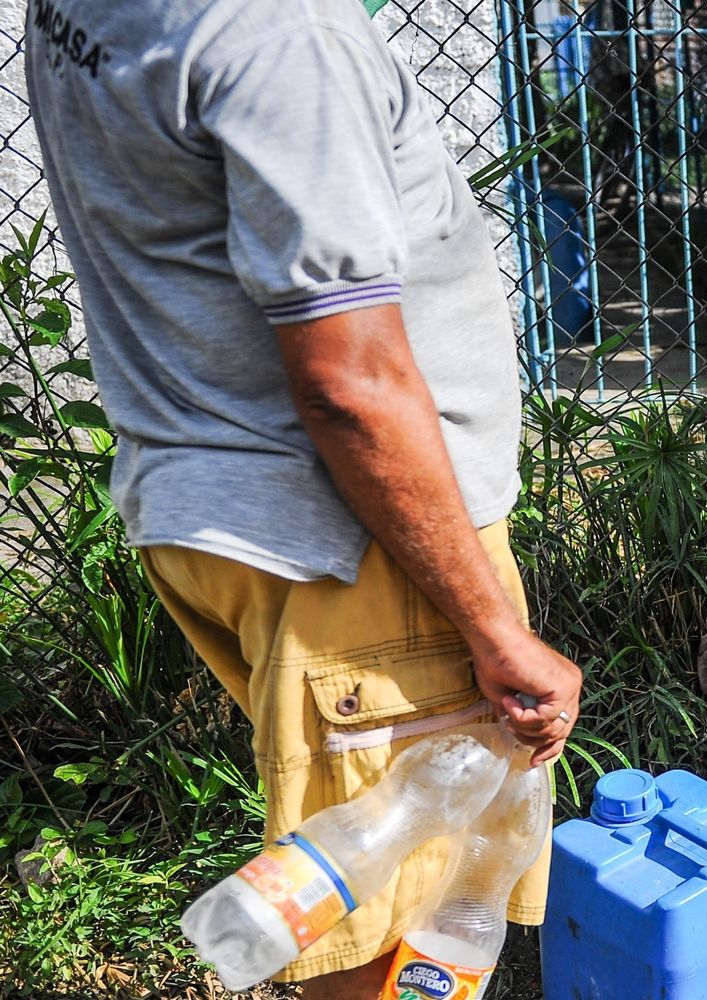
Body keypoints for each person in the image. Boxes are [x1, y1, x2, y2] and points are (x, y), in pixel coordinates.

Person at [24, 0, 583, 994]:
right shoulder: (284, 30)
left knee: (361, 888)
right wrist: (496, 628)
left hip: (227, 506)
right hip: (356, 543)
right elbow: (351, 385)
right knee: (386, 935)